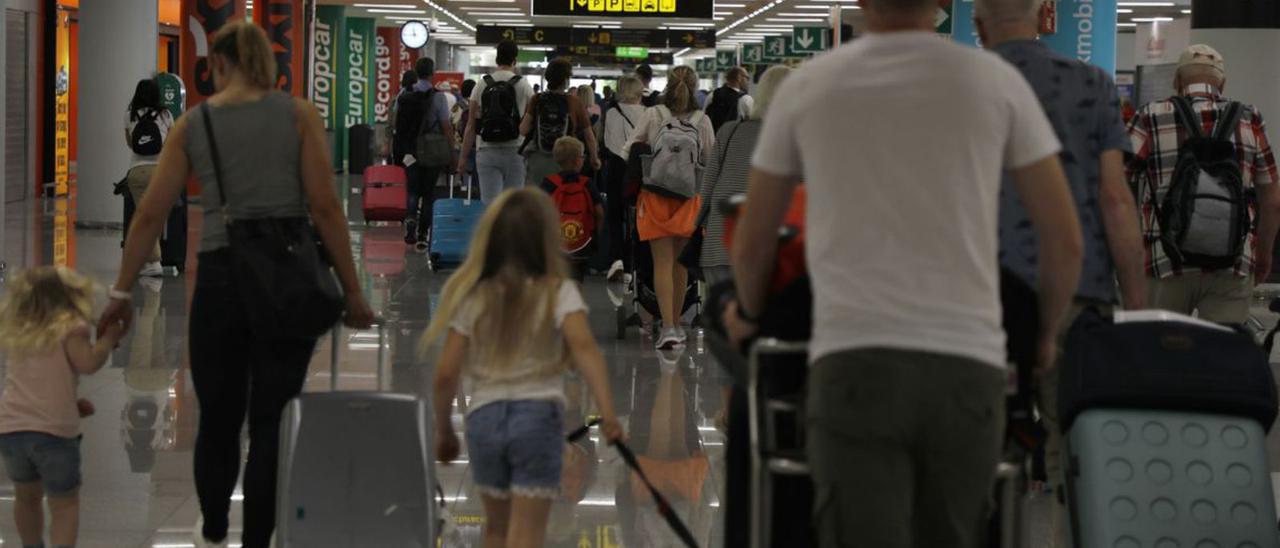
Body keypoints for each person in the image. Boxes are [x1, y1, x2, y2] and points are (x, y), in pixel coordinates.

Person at [723, 0, 1084, 545]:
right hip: (967, 365)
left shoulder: (810, 85)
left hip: (854, 361)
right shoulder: (996, 83)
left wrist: (749, 315)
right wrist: (1044, 337)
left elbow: (753, 242)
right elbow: (1064, 239)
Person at [97, 22, 374, 548]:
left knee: (219, 420)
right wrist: (353, 289)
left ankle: (215, 524)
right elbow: (324, 206)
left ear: (219, 65)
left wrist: (119, 292)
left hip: (222, 282)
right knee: (270, 421)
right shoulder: (298, 116)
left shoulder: (196, 122)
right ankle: (257, 539)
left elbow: (151, 212)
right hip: (287, 279)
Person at [976, 1, 1149, 542]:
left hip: (982, 297)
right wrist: (1137, 302)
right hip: (1078, 289)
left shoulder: (963, 85)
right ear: (1044, 17)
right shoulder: (1092, 85)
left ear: (978, 24)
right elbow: (1115, 200)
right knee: (1072, 450)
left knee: (981, 448)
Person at [427, 188, 624, 548]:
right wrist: (608, 413)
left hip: (483, 419)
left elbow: (445, 373)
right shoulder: (558, 291)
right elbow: (585, 349)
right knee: (528, 532)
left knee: (497, 530)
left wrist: (444, 431)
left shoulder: (473, 294)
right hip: (537, 419)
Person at [1127, 44, 1280, 324]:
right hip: (1233, 262)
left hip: (1165, 260)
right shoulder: (1250, 118)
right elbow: (1272, 201)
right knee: (1222, 359)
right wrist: (1263, 254)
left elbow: (1116, 184)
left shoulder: (1149, 115)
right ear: (1222, 83)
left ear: (1177, 82)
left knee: (1162, 356)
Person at [0, 267, 125, 548]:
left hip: (11, 431)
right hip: (54, 435)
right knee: (64, 505)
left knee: (26, 498)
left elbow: (35, 383)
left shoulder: (20, 331)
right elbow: (88, 363)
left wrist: (71, 401)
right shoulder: (70, 327)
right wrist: (108, 340)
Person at [623, 65, 715, 350]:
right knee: (680, 265)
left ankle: (668, 328)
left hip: (654, 197)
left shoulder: (653, 114)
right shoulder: (702, 119)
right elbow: (709, 159)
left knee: (661, 264)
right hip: (689, 199)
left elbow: (629, 150)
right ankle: (676, 323)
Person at [700, 65, 792, 288]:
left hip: (720, 240)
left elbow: (707, 186)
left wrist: (700, 225)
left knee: (723, 316)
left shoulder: (729, 131)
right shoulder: (792, 137)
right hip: (767, 246)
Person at [458, 39, 536, 203]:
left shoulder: (481, 84)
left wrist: (463, 158)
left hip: (487, 151)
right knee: (514, 205)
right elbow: (531, 122)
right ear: (515, 60)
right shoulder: (524, 85)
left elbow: (471, 125)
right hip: (516, 151)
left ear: (496, 59)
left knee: (490, 205)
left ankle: (492, 229)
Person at [393, 57, 456, 251]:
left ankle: (411, 220)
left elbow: (396, 122)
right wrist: (451, 151)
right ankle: (422, 234)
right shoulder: (438, 96)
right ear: (432, 73)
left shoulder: (404, 93)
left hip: (409, 150)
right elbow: (446, 127)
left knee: (412, 190)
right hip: (431, 150)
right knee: (428, 193)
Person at [519, 58, 601, 189]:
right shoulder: (574, 102)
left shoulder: (537, 99)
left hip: (538, 159)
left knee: (537, 201)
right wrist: (594, 157)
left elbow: (523, 129)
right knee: (562, 200)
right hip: (565, 161)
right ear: (566, 80)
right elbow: (589, 135)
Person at [124, 78, 176, 278]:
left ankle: (151, 260)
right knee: (155, 217)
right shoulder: (165, 115)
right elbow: (171, 143)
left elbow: (130, 143)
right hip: (160, 172)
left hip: (137, 171)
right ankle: (153, 260)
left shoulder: (129, 115)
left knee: (144, 216)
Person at [540, 136, 606, 282]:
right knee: (577, 280)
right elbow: (600, 212)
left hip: (555, 245)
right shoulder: (587, 183)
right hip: (582, 243)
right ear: (578, 160)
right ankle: (575, 302)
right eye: (583, 156)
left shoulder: (549, 183)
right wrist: (595, 237)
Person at [602, 76, 647, 284]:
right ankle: (632, 265)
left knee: (614, 215)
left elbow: (607, 140)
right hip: (638, 169)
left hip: (615, 166)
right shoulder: (648, 114)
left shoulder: (611, 112)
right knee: (636, 217)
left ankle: (615, 260)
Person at [704, 66, 753, 132]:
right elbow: (752, 125)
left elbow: (704, 118)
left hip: (715, 138)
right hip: (734, 139)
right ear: (739, 78)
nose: (748, 81)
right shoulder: (746, 99)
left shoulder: (712, 95)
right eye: (747, 78)